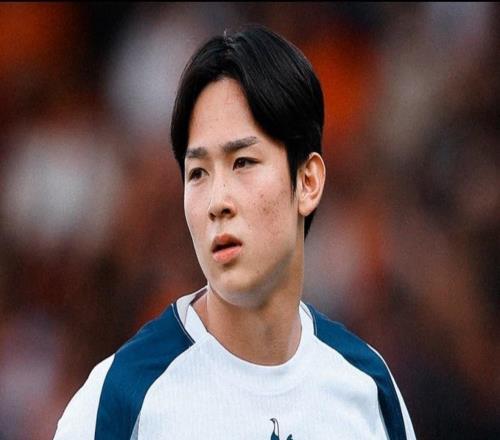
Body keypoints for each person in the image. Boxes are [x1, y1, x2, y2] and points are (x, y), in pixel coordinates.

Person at [54, 25, 416, 440]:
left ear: (308, 181)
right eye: (197, 172)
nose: (217, 201)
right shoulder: (120, 400)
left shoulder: (368, 389)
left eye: (243, 162)